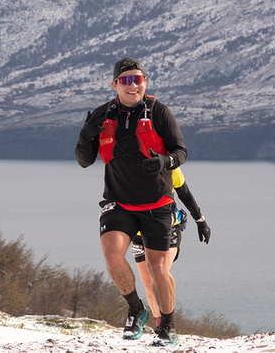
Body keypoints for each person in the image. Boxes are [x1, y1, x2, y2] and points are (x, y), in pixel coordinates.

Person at [75, 56, 188, 346]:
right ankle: (135, 309)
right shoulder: (103, 115)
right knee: (112, 254)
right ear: (115, 84)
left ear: (145, 82)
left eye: (137, 79)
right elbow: (84, 161)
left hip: (157, 202)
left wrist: (165, 161)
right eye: (125, 80)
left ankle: (168, 327)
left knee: (157, 270)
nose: (132, 85)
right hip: (118, 201)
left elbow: (181, 152)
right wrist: (86, 134)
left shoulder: (160, 112)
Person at [131, 168, 211, 332]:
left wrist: (200, 220)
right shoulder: (127, 163)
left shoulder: (169, 165)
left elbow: (185, 193)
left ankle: (167, 326)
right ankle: (159, 323)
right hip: (138, 232)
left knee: (158, 274)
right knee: (147, 283)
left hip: (168, 228)